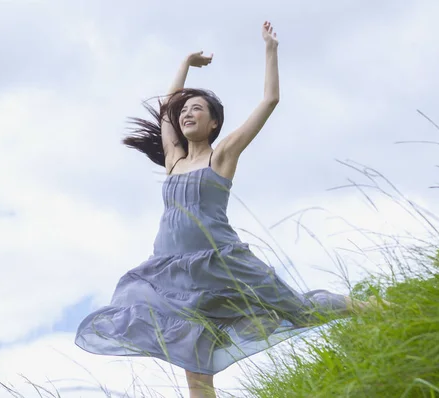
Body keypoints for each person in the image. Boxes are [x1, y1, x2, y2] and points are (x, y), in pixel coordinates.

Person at [75, 21, 383, 398]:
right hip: (174, 272)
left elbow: (269, 101)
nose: (187, 114)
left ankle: (375, 307)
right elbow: (166, 108)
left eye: (197, 109)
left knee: (299, 310)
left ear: (214, 122)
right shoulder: (174, 160)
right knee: (195, 364)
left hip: (222, 262)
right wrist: (185, 63)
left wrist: (271, 49)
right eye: (184, 110)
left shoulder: (221, 157)